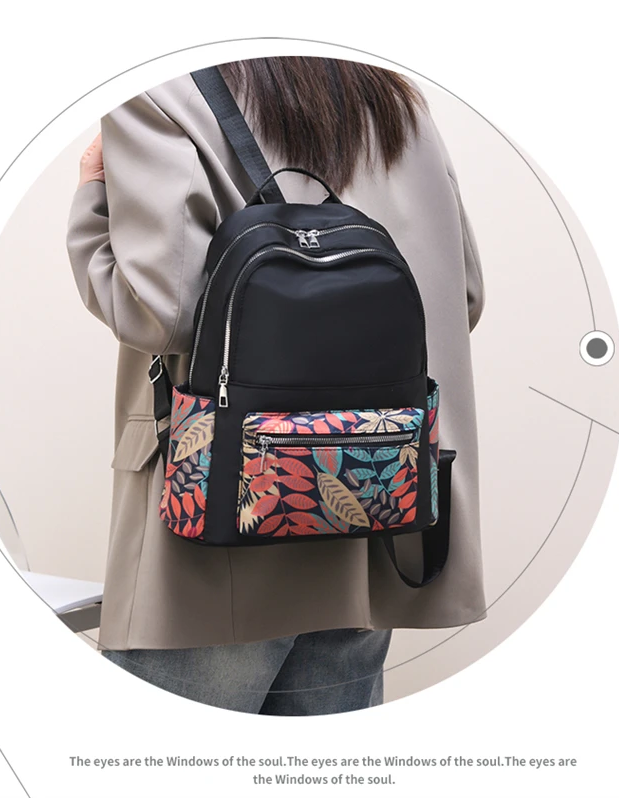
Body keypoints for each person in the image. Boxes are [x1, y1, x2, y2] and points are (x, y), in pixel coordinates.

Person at [66, 56, 487, 716]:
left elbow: (160, 312)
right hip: (376, 506)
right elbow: (462, 298)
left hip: (227, 524)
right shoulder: (394, 99)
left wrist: (93, 197)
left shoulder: (158, 92)